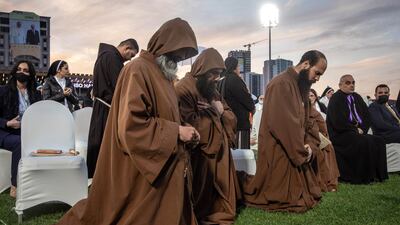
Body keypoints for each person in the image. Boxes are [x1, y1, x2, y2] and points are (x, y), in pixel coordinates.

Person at [57, 18, 200, 225]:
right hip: (139, 165)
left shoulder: (164, 75)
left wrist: (182, 128)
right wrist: (175, 132)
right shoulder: (138, 69)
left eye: (183, 55)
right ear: (163, 45)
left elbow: (167, 115)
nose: (178, 58)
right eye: (177, 52)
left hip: (163, 157)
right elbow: (131, 126)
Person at [241, 50, 327, 213]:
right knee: (290, 198)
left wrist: (309, 144)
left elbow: (307, 121)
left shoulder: (301, 86)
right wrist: (301, 150)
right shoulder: (281, 84)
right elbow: (284, 125)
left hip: (295, 145)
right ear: (306, 64)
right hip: (280, 148)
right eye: (317, 73)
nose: (317, 79)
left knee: (307, 194)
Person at [175, 48, 239, 224]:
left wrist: (217, 111)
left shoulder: (212, 89)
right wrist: (215, 112)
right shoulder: (183, 89)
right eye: (213, 73)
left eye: (219, 74)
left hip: (220, 150)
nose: (216, 78)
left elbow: (230, 115)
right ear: (201, 69)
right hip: (200, 153)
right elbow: (188, 122)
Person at [86, 38, 139, 178]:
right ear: (127, 48)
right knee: (105, 145)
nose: (129, 59)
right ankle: (103, 178)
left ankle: (95, 177)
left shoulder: (105, 56)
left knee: (98, 142)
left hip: (101, 105)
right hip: (107, 107)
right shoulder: (113, 59)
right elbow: (120, 87)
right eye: (131, 55)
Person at [326, 74, 388, 184]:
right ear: (340, 85)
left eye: (353, 83)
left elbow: (367, 116)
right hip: (340, 134)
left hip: (358, 132)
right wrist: (354, 130)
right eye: (348, 83)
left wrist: (362, 129)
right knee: (364, 141)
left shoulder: (357, 97)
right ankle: (363, 178)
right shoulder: (335, 99)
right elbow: (337, 121)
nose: (351, 85)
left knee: (379, 141)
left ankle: (378, 176)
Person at [0, 60, 41, 197]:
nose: (21, 72)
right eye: (19, 69)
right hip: (5, 132)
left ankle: (40, 182)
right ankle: (15, 186)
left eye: (25, 70)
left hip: (27, 131)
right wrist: (7, 123)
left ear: (30, 74)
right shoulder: (3, 91)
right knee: (20, 142)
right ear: (14, 71)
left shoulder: (35, 94)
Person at [307, 92, 340, 192]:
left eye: (312, 95)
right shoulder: (301, 110)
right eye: (307, 95)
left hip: (320, 137)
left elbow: (323, 129)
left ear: (316, 97)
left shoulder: (318, 111)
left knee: (327, 147)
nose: (309, 97)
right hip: (308, 138)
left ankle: (328, 181)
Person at [220, 57, 255, 149]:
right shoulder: (235, 80)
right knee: (241, 154)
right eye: (238, 66)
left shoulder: (221, 81)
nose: (239, 69)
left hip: (225, 123)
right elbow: (246, 99)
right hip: (239, 124)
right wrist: (252, 107)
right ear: (234, 67)